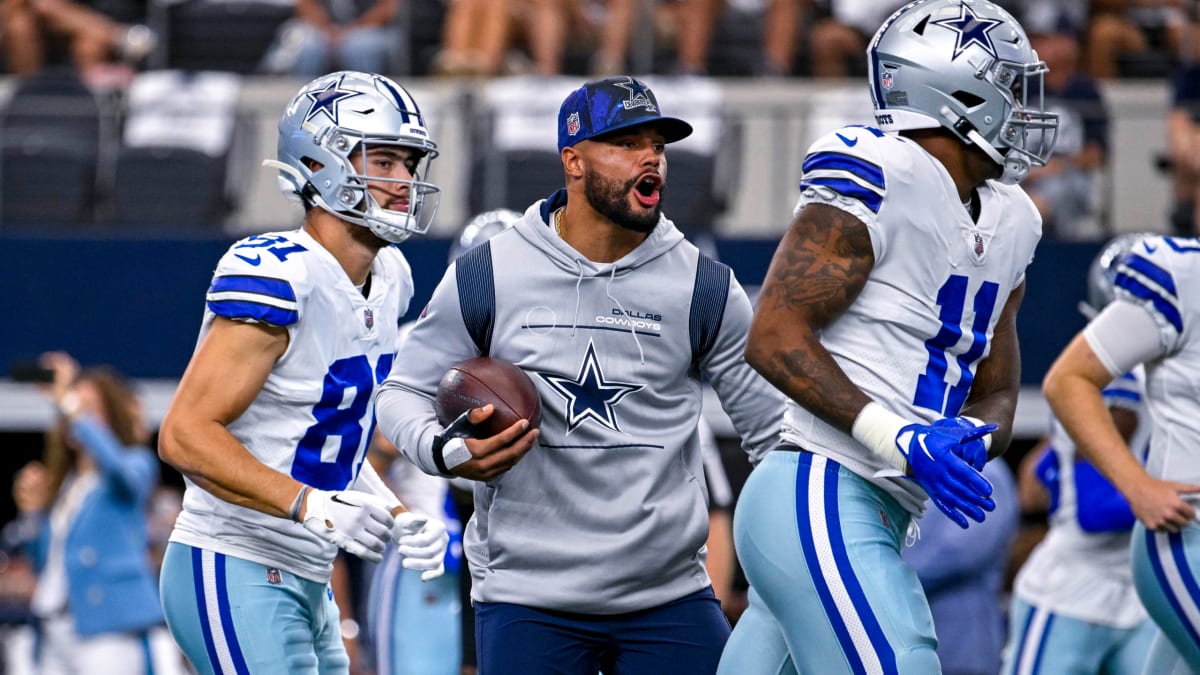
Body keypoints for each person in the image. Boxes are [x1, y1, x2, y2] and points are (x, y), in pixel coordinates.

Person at [375, 74, 786, 675]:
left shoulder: (705, 284)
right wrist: (445, 452)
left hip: (668, 599)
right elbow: (403, 392)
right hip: (527, 600)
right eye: (625, 143)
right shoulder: (489, 271)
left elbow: (774, 436)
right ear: (572, 160)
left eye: (658, 145)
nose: (650, 157)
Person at [718, 1, 1059, 672]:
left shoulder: (1015, 220)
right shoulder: (883, 172)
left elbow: (995, 387)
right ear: (956, 93)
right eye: (1009, 87)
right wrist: (896, 434)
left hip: (878, 507)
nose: (1023, 108)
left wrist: (973, 437)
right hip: (820, 484)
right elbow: (773, 335)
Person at [155, 70, 450, 674]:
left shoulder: (391, 277)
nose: (402, 182)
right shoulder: (282, 273)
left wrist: (394, 512)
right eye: (384, 161)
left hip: (305, 570)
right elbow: (184, 434)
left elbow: (321, 440)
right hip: (233, 558)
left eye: (408, 164)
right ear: (320, 164)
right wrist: (309, 505)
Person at [1001, 233, 1159, 675]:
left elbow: (1053, 471)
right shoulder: (1119, 381)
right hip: (1076, 590)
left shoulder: (1161, 380)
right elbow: (1094, 510)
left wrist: (1056, 479)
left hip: (1138, 591)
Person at [1042, 231, 1200, 672]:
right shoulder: (1181, 278)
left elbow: (1041, 471)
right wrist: (1137, 486)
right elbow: (1092, 507)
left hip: (1126, 588)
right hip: (1080, 581)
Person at [10, 351, 183, 675]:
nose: (77, 417)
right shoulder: (67, 486)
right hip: (55, 627)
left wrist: (69, 402)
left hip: (108, 625)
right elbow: (45, 562)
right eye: (76, 409)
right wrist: (33, 515)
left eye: (90, 409)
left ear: (111, 416)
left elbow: (118, 470)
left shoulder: (135, 464)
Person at [905, 459, 1018, 675]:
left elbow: (959, 553)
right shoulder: (920, 458)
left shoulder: (984, 471)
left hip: (962, 648)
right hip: (913, 643)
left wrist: (891, 579)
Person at [261, 0, 399, 77]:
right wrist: (326, 29)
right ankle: (305, 103)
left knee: (360, 47)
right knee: (309, 48)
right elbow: (305, 5)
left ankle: (367, 98)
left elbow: (388, 8)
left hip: (366, 28)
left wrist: (351, 30)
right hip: (324, 29)